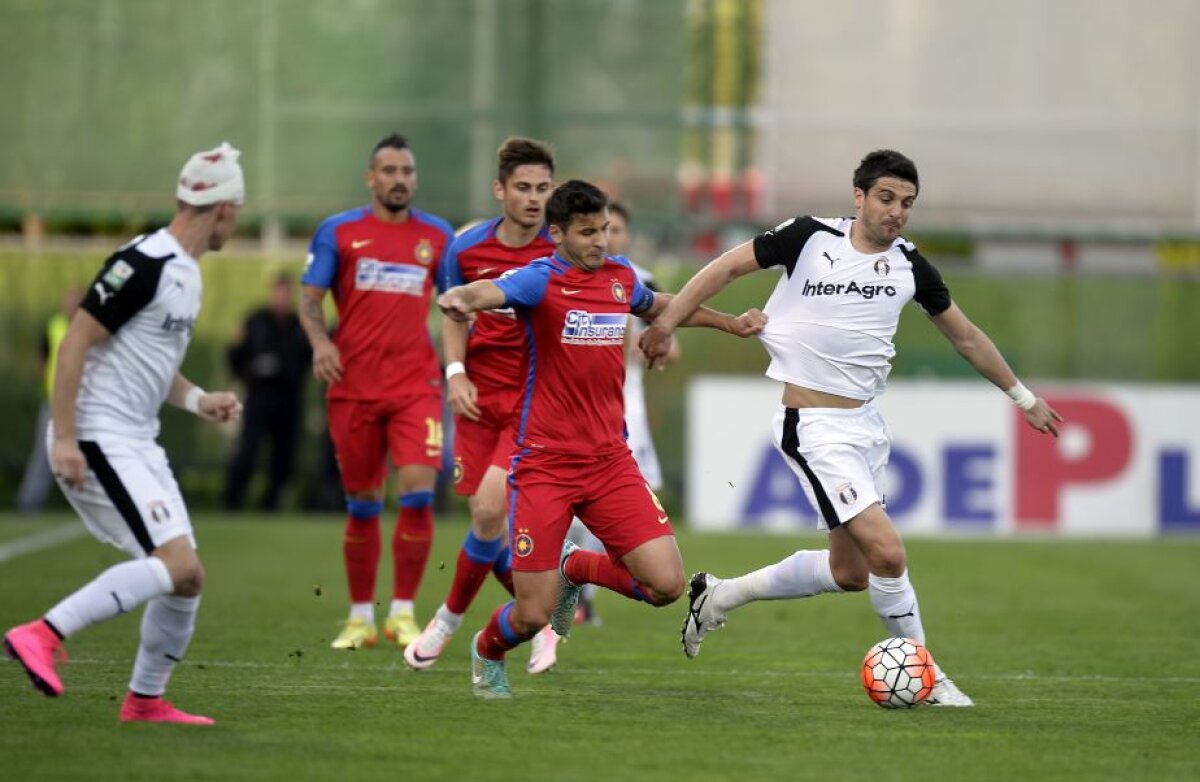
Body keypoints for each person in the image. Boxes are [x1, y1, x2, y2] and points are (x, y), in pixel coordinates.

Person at [640, 149, 1063, 707]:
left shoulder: (911, 266)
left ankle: (719, 596)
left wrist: (1024, 398)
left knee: (852, 572)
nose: (897, 212)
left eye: (907, 203)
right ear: (859, 196)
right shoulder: (809, 236)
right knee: (888, 552)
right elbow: (726, 268)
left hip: (866, 427)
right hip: (812, 426)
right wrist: (667, 323)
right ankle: (928, 677)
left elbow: (965, 337)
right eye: (886, 198)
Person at [437, 179, 766, 699]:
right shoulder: (540, 279)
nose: (600, 241)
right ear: (557, 234)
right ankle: (488, 649)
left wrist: (728, 322)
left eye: (605, 230)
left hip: (610, 462)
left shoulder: (619, 277)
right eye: (587, 232)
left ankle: (575, 566)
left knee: (666, 586)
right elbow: (491, 290)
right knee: (532, 614)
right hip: (544, 466)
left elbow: (660, 305)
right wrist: (461, 297)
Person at [3, 142, 246, 724]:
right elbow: (74, 342)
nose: (236, 221)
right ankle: (42, 634)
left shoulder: (187, 274)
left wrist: (199, 400)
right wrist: (65, 437)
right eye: (237, 210)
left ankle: (145, 700)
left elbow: (153, 368)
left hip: (137, 440)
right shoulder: (144, 262)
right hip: (98, 435)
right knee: (177, 566)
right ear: (223, 209)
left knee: (186, 579)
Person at [403, 137, 560, 673]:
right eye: (523, 187)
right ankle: (542, 619)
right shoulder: (466, 249)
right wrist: (455, 374)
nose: (534, 198)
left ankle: (447, 619)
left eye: (543, 188)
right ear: (500, 190)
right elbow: (453, 315)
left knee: (491, 511)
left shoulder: (560, 251)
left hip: (532, 401)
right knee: (485, 525)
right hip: (476, 401)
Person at [299, 133, 455, 651]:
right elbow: (310, 299)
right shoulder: (339, 231)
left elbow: (455, 305)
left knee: (417, 491)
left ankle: (403, 613)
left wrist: (460, 365)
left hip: (416, 385)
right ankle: (361, 617)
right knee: (363, 501)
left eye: (407, 172)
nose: (399, 180)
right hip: (354, 387)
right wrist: (321, 343)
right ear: (371, 178)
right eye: (389, 171)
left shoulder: (437, 235)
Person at [567, 201, 681, 627]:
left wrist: (650, 340)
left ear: (626, 235)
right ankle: (576, 585)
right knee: (580, 505)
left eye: (614, 229)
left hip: (626, 406)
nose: (607, 237)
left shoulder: (638, 280)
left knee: (625, 504)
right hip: (582, 410)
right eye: (600, 229)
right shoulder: (565, 277)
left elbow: (671, 343)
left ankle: (585, 592)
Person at [223, 272, 311, 511]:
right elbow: (235, 353)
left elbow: (307, 358)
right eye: (279, 292)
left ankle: (271, 502)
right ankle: (232, 501)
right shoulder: (255, 321)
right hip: (259, 395)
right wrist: (248, 375)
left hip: (289, 397)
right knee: (248, 448)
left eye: (287, 293)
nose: (282, 298)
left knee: (284, 453)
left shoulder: (299, 325)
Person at [16, 284, 83, 514]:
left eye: (77, 301)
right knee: (44, 454)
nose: (72, 305)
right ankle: (29, 502)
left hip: (83, 404)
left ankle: (92, 505)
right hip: (54, 403)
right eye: (69, 300)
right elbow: (42, 358)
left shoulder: (90, 327)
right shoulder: (53, 325)